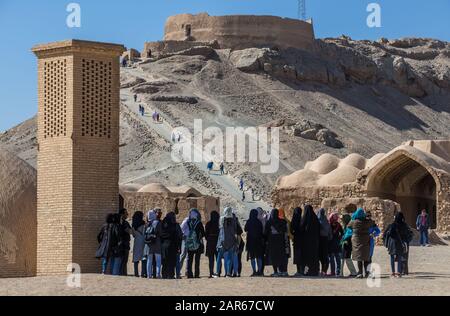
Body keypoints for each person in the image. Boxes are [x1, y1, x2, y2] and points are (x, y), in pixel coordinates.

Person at [383, 212, 413, 278]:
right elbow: (409, 234)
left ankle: (393, 272)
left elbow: (385, 234)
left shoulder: (391, 225)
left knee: (392, 257)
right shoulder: (404, 225)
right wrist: (406, 241)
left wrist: (386, 243)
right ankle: (399, 272)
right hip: (400, 243)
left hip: (392, 243)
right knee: (399, 257)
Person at [347, 208, 375, 278]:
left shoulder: (353, 222)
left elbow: (348, 226)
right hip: (366, 241)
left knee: (359, 257)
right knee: (366, 257)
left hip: (356, 241)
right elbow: (372, 222)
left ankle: (360, 273)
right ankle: (367, 273)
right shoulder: (367, 222)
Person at [215, 207, 242, 277]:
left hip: (222, 241)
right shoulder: (234, 220)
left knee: (219, 257)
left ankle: (217, 273)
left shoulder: (221, 219)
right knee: (229, 257)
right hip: (232, 241)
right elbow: (237, 230)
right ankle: (228, 273)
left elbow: (220, 229)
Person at [265, 209, 289, 277]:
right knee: (281, 256)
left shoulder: (269, 222)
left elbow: (266, 232)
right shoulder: (283, 221)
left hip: (272, 242)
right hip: (281, 242)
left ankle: (276, 271)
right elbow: (285, 231)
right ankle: (282, 271)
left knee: (274, 257)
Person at [299, 205, 320, 276]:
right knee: (314, 256)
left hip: (306, 242)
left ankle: (306, 271)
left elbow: (301, 228)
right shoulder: (315, 219)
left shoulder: (304, 219)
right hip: (314, 241)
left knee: (306, 257)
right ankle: (315, 271)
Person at [161, 212, 183, 279]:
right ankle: (170, 274)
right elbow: (179, 236)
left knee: (165, 261)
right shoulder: (175, 225)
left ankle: (164, 274)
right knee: (171, 261)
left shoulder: (163, 225)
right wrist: (179, 246)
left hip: (164, 245)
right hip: (173, 245)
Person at [185, 209, 205, 278]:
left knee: (189, 259)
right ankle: (196, 274)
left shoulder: (187, 222)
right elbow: (203, 233)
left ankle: (189, 274)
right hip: (197, 243)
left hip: (189, 243)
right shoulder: (199, 223)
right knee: (197, 260)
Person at [245, 209, 265, 276]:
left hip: (250, 241)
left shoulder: (249, 221)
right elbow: (261, 231)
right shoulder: (259, 222)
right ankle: (259, 271)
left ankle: (254, 271)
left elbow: (245, 229)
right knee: (259, 257)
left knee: (252, 257)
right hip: (258, 241)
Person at [144, 210, 163, 279]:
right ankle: (158, 274)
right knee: (158, 260)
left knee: (149, 260)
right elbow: (160, 233)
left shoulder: (146, 224)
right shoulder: (157, 223)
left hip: (149, 243)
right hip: (157, 242)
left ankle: (149, 275)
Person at [131, 211, 147, 278]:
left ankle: (136, 273)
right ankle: (143, 273)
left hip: (137, 241)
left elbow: (133, 235)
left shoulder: (133, 225)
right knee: (143, 258)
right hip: (143, 241)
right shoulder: (143, 224)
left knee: (136, 259)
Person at [205, 211, 220, 278]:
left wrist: (208, 239)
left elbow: (205, 235)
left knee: (211, 259)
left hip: (210, 242)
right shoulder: (219, 224)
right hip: (217, 242)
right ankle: (218, 272)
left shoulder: (208, 224)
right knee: (218, 258)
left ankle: (211, 273)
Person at [317, 208, 332, 276]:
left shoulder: (317, 221)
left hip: (318, 240)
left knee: (317, 256)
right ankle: (324, 271)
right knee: (324, 256)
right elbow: (330, 233)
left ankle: (317, 270)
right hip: (325, 240)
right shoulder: (326, 222)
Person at [328, 212, 343, 277]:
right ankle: (338, 271)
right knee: (338, 258)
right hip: (337, 243)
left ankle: (333, 272)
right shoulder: (338, 225)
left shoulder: (329, 224)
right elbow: (342, 233)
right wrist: (339, 238)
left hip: (331, 243)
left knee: (331, 258)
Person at [118, 208, 132, 276]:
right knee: (124, 260)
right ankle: (123, 274)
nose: (127, 214)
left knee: (121, 260)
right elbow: (129, 231)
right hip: (124, 244)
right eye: (126, 213)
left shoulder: (117, 222)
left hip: (119, 244)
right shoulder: (125, 223)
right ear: (122, 214)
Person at [290, 207, 303, 277]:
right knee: (302, 255)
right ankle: (302, 270)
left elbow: (291, 230)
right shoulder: (302, 220)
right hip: (303, 241)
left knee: (297, 255)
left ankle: (298, 271)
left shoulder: (294, 220)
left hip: (296, 240)